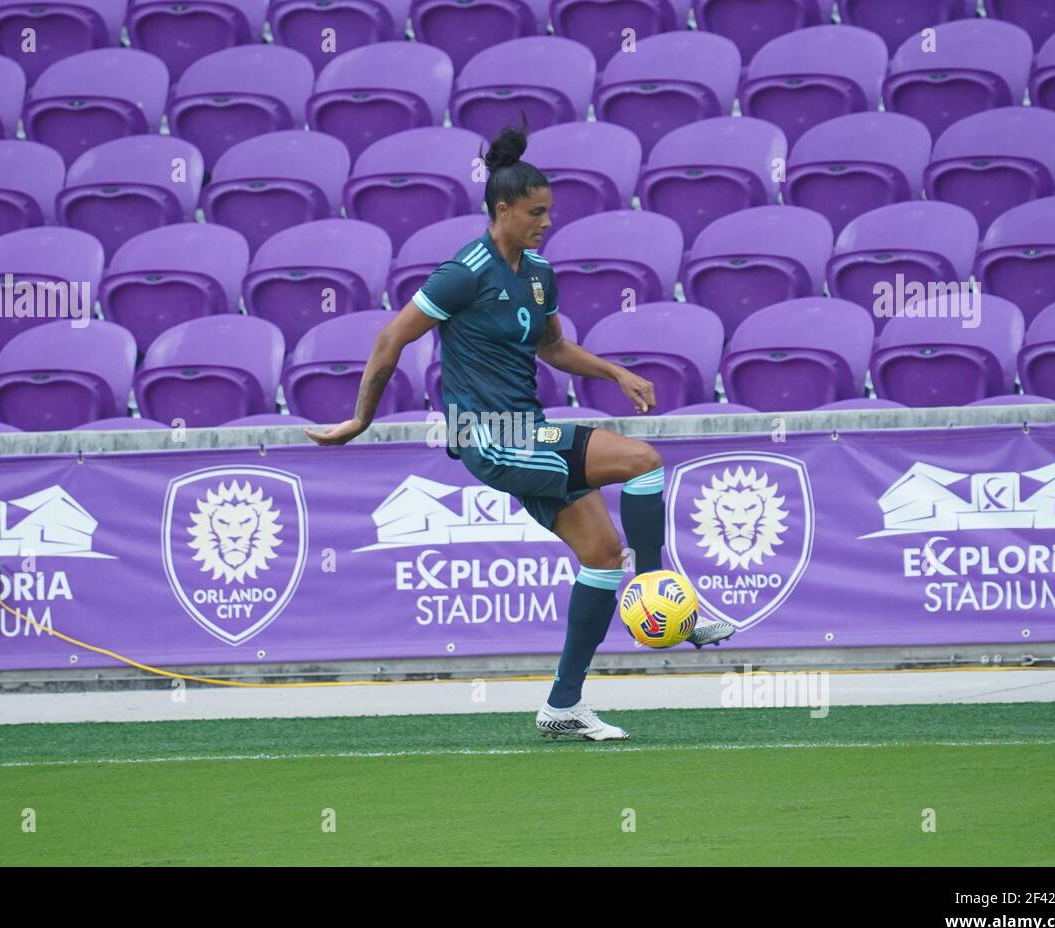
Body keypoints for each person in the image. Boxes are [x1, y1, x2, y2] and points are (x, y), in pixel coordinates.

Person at [306, 120, 734, 740]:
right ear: (502, 209)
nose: (547, 222)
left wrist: (615, 372)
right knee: (643, 461)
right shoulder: (463, 273)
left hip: (526, 432)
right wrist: (359, 420)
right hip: (487, 435)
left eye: (550, 212)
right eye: (536, 212)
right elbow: (389, 339)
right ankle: (664, 594)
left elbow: (554, 349)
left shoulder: (537, 273)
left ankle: (562, 707)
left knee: (601, 556)